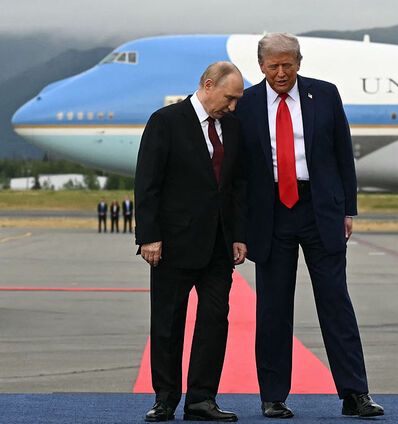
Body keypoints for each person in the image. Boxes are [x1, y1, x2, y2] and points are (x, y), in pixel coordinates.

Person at [235, 33, 383, 419]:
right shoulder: (246, 104)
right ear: (261, 66)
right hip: (271, 213)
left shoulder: (325, 95)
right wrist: (238, 226)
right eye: (273, 66)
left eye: (288, 64)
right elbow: (239, 171)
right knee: (273, 308)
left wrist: (348, 209)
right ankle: (273, 396)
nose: (281, 73)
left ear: (299, 62)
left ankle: (355, 393)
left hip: (320, 210)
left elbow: (342, 154)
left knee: (336, 303)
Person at [134, 61, 247, 422]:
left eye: (238, 100)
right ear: (208, 85)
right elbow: (147, 183)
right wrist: (149, 236)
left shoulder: (233, 127)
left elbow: (237, 186)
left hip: (219, 244)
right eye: (229, 98)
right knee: (168, 323)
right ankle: (165, 399)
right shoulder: (166, 121)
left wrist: (239, 235)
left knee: (214, 321)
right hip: (173, 243)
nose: (233, 106)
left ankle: (202, 399)